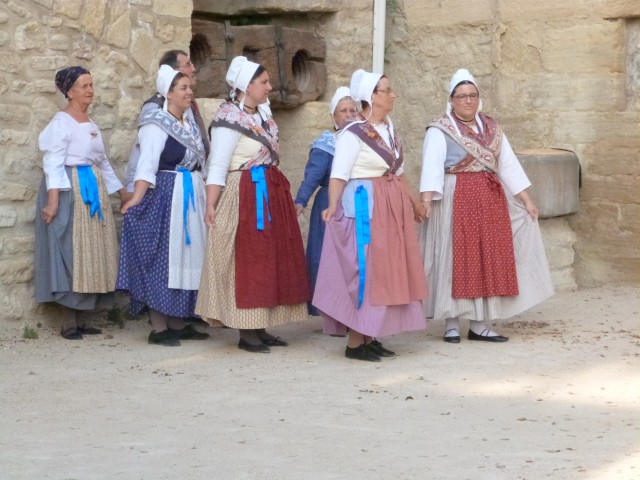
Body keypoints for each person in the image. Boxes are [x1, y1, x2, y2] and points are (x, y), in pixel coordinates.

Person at [419, 68, 554, 344]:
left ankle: (480, 324)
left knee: (486, 259)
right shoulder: (440, 129)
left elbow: (509, 165)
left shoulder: (492, 128)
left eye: (472, 95)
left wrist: (526, 199)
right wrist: (426, 201)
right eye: (462, 96)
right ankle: (452, 323)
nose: (468, 101)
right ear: (452, 99)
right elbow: (431, 166)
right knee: (455, 259)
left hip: (490, 199)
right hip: (455, 198)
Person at [195, 56, 310, 353]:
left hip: (269, 193)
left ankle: (261, 325)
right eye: (264, 82)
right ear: (246, 86)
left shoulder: (263, 116)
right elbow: (218, 165)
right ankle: (246, 331)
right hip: (244, 194)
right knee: (248, 261)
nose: (270, 87)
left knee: (270, 259)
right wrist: (211, 205)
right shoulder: (227, 120)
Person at [312, 70, 429, 362]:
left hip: (389, 205)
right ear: (372, 97)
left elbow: (398, 173)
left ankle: (369, 334)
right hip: (364, 207)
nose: (392, 95)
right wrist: (332, 206)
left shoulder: (389, 128)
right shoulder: (353, 133)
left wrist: (414, 205)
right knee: (366, 270)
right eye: (386, 90)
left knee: (385, 270)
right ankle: (355, 342)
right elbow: (339, 174)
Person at [117, 65, 209, 346]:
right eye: (183, 88)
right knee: (164, 259)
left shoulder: (188, 124)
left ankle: (179, 321)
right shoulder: (156, 124)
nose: (189, 92)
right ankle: (158, 327)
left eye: (189, 88)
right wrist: (136, 198)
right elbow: (147, 166)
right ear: (167, 94)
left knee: (187, 258)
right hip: (168, 197)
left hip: (190, 194)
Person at [35, 66, 128, 339]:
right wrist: (53, 202)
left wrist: (123, 194)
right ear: (70, 91)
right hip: (69, 189)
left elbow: (102, 163)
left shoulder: (90, 124)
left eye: (91, 84)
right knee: (70, 250)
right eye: (84, 85)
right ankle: (69, 322)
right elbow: (53, 162)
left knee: (91, 252)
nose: (89, 90)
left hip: (91, 189)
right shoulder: (61, 123)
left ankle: (84, 317)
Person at [294, 86, 357, 316]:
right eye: (343, 110)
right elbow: (312, 176)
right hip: (328, 204)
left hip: (353, 203)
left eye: (353, 110)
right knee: (325, 255)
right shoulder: (327, 142)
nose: (349, 114)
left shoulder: (361, 138)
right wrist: (300, 201)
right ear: (333, 115)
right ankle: (326, 307)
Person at [125, 49, 209, 191]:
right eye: (188, 64)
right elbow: (145, 149)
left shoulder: (187, 104)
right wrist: (132, 188)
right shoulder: (155, 107)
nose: (193, 68)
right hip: (168, 187)